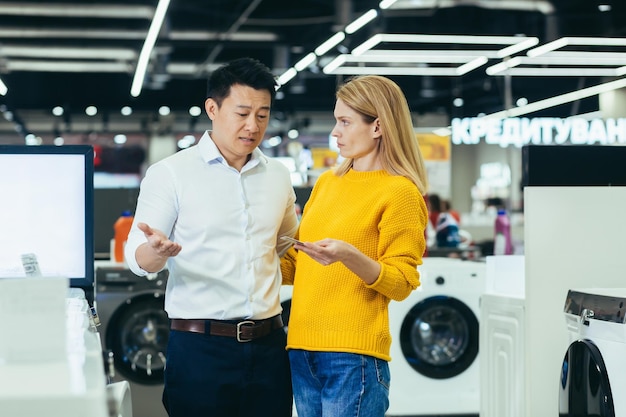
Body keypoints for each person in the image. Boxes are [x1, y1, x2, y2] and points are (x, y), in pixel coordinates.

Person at [124, 57, 298, 417]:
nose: (253, 126)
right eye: (243, 113)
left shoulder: (278, 175)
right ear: (213, 108)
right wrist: (158, 253)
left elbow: (287, 247)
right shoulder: (171, 173)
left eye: (263, 115)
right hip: (200, 349)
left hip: (270, 347)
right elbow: (136, 257)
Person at [280, 75, 429, 417]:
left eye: (345, 122)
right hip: (301, 347)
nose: (335, 132)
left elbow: (402, 282)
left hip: (353, 356)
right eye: (337, 121)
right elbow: (294, 267)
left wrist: (348, 256)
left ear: (377, 126)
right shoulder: (327, 183)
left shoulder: (400, 193)